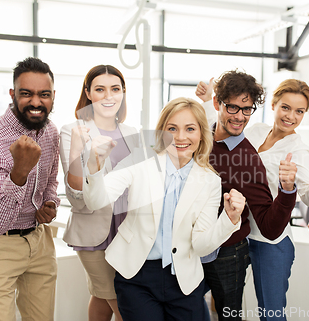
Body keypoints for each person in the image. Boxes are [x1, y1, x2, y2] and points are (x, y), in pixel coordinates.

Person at [83, 97, 246, 321]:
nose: (180, 137)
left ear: (201, 133)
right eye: (172, 128)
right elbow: (96, 201)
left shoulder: (210, 181)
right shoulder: (139, 161)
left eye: (190, 129)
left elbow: (201, 245)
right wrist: (94, 166)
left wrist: (229, 219)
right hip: (136, 274)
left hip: (184, 279)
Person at [198, 78, 309, 320]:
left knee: (270, 313)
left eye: (299, 111)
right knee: (221, 303)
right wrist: (209, 98)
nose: (291, 116)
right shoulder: (255, 130)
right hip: (237, 234)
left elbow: (308, 197)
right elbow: (225, 122)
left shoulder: (299, 150)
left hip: (269, 241)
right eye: (285, 107)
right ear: (273, 105)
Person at [0, 57, 60, 321]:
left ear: (53, 97)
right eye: (26, 94)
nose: (36, 102)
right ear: (13, 94)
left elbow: (51, 180)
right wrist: (20, 172)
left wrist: (49, 204)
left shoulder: (50, 132)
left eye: (44, 94)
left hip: (38, 242)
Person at [196, 70, 298, 321]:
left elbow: (269, 226)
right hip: (191, 246)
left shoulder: (249, 160)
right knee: (183, 309)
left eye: (247, 109)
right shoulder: (197, 137)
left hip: (228, 254)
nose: (240, 117)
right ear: (217, 103)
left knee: (228, 316)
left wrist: (286, 191)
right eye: (233, 107)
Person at [59, 65, 139, 321]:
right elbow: (75, 194)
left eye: (115, 89)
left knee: (101, 297)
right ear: (88, 93)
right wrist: (77, 154)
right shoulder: (74, 130)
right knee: (120, 302)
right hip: (94, 229)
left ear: (123, 93)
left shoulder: (131, 132)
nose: (108, 96)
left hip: (127, 228)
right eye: (100, 89)